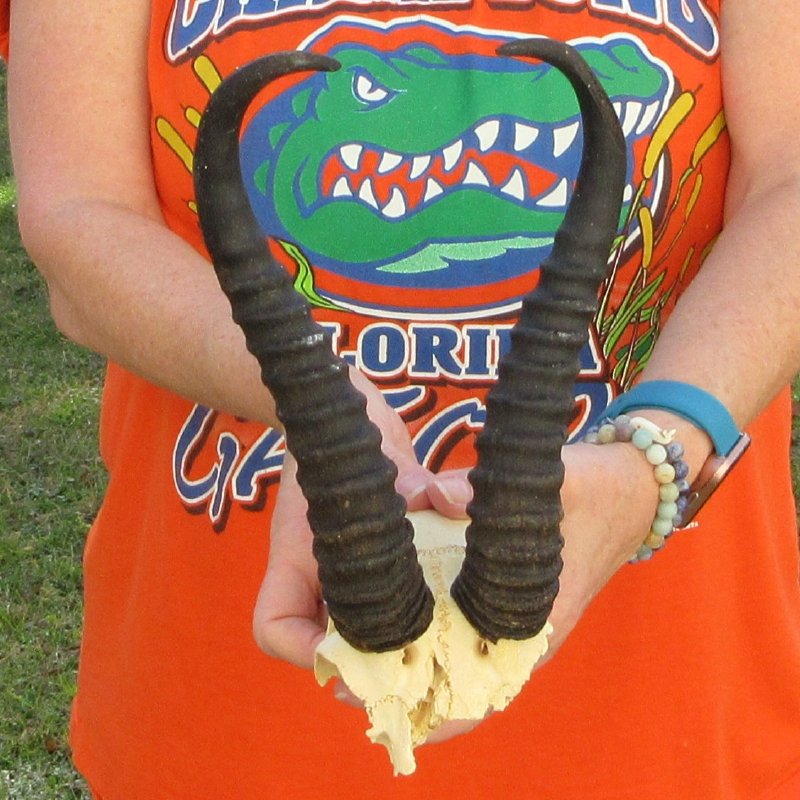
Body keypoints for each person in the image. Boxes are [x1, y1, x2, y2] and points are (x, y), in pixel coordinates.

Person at [3, 0, 800, 797]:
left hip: (669, 707)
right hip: (236, 721)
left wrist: (654, 455)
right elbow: (80, 212)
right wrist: (320, 407)